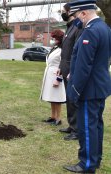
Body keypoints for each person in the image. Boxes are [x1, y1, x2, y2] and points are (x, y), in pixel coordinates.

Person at [63, 1, 111, 173]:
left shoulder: (90, 32)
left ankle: (87, 164)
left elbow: (84, 66)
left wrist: (75, 90)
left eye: (76, 16)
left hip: (88, 90)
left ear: (84, 13)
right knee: (96, 125)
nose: (76, 20)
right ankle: (95, 159)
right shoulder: (105, 28)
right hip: (100, 86)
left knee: (87, 128)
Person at [57, 3, 83, 141]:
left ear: (70, 12)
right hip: (65, 67)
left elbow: (77, 51)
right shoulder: (70, 27)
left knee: (74, 100)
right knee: (69, 99)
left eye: (63, 11)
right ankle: (72, 125)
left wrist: (72, 70)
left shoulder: (77, 28)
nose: (62, 14)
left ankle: (77, 130)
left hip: (71, 69)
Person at [40, 29, 66, 126]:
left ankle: (58, 119)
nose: (52, 39)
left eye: (54, 38)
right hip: (49, 75)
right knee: (51, 97)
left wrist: (59, 79)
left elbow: (63, 65)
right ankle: (53, 116)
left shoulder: (63, 49)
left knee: (57, 98)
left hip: (56, 75)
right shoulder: (54, 48)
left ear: (58, 38)